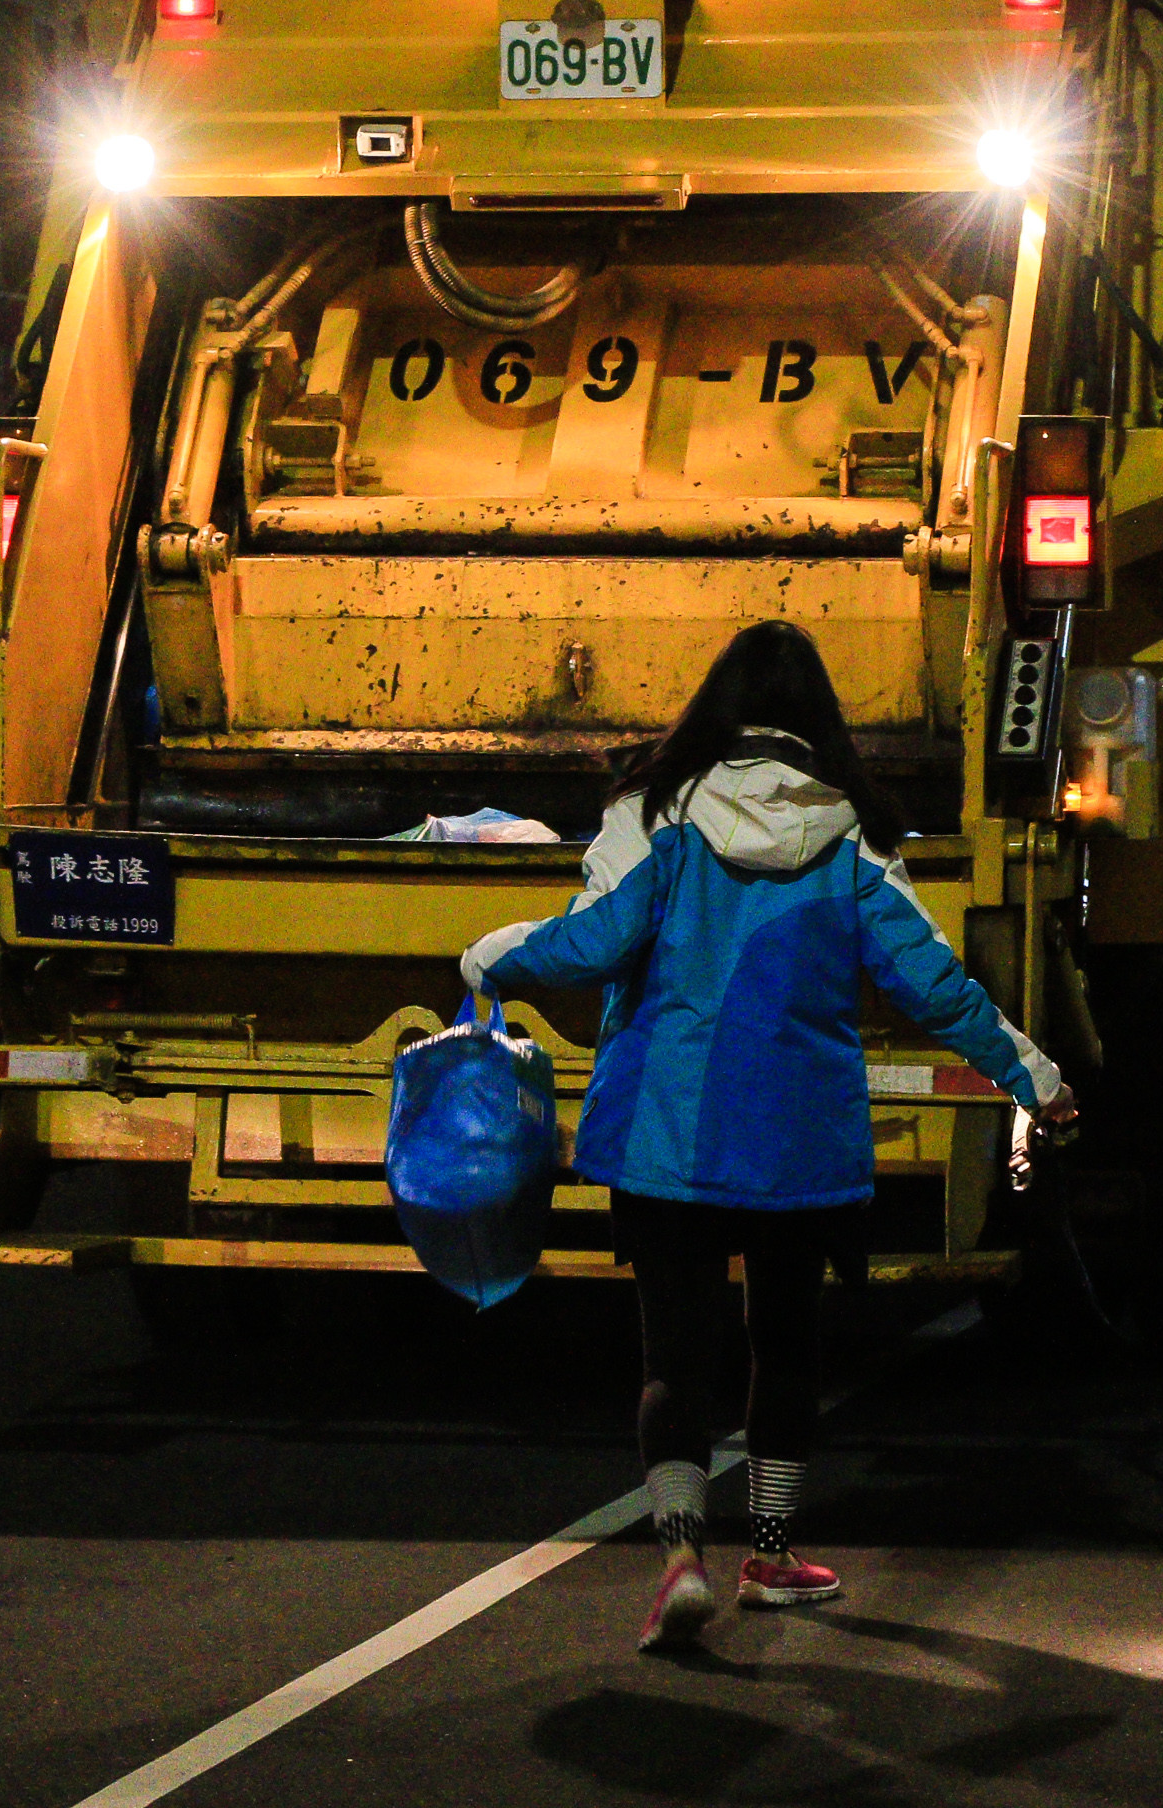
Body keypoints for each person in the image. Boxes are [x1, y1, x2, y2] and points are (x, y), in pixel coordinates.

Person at [459, 622, 1075, 1653]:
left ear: (715, 704)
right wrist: (1035, 1072)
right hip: (801, 1142)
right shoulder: (854, 835)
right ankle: (775, 1551)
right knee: (784, 1348)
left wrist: (491, 957)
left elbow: (591, 942)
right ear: (817, 720)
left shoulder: (654, 812)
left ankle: (681, 1557)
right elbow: (932, 984)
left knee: (674, 1357)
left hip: (669, 1134)